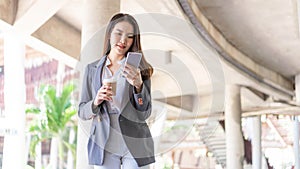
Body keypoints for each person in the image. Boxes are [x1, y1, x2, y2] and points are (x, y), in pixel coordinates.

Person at [78, 13, 155, 169]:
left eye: (129, 36)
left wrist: (138, 86)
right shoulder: (92, 69)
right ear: (109, 34)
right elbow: (82, 112)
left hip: (134, 141)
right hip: (103, 142)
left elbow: (145, 113)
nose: (123, 40)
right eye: (118, 33)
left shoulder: (140, 70)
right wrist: (96, 101)